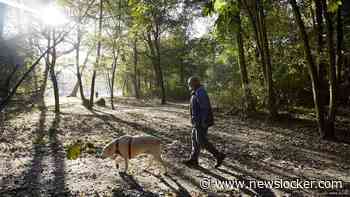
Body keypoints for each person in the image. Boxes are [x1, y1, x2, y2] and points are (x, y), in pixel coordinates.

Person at [184, 76, 225, 168]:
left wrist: (204, 121)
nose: (189, 85)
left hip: (201, 122)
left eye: (190, 83)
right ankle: (194, 159)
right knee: (194, 139)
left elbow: (205, 108)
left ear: (195, 83)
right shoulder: (195, 91)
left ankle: (219, 155)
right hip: (196, 122)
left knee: (201, 141)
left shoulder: (200, 92)